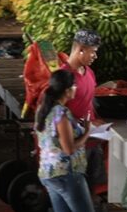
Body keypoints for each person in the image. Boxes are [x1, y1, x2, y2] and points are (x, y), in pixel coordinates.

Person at [35, 70, 95, 212]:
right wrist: (87, 132)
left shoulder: (42, 109)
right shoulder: (61, 114)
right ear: (67, 91)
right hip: (66, 174)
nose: (76, 88)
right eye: (74, 85)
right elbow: (69, 149)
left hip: (48, 173)